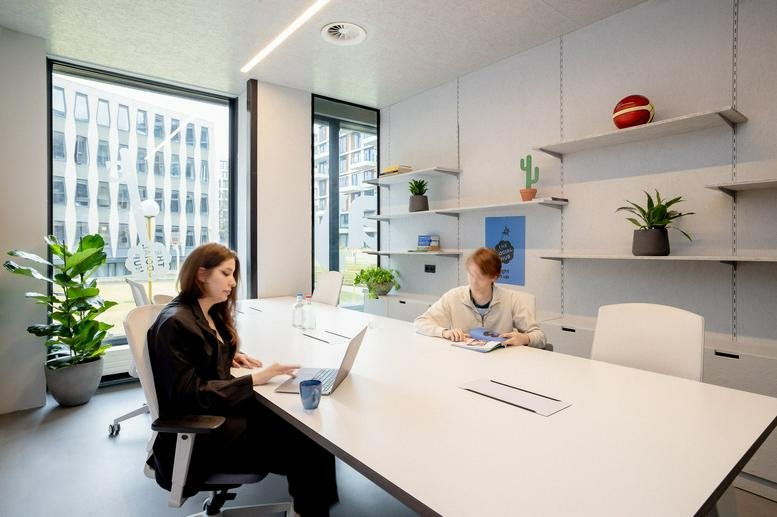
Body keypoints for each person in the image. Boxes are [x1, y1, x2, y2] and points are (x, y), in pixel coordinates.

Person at [146, 243, 338, 516]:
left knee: (307, 431)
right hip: (204, 435)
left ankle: (308, 508)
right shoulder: (176, 323)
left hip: (219, 416)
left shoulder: (204, 311)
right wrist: (254, 379)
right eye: (226, 274)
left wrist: (227, 356)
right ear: (201, 274)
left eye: (233, 275)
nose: (233, 282)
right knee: (308, 445)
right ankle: (310, 511)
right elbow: (189, 396)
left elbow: (196, 359)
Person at [414, 247, 546, 348]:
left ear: (494, 277)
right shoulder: (453, 297)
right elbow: (420, 322)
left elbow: (540, 336)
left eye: (480, 277)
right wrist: (444, 332)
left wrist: (524, 338)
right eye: (471, 274)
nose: (473, 281)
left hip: (501, 363)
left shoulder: (510, 299)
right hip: (464, 361)